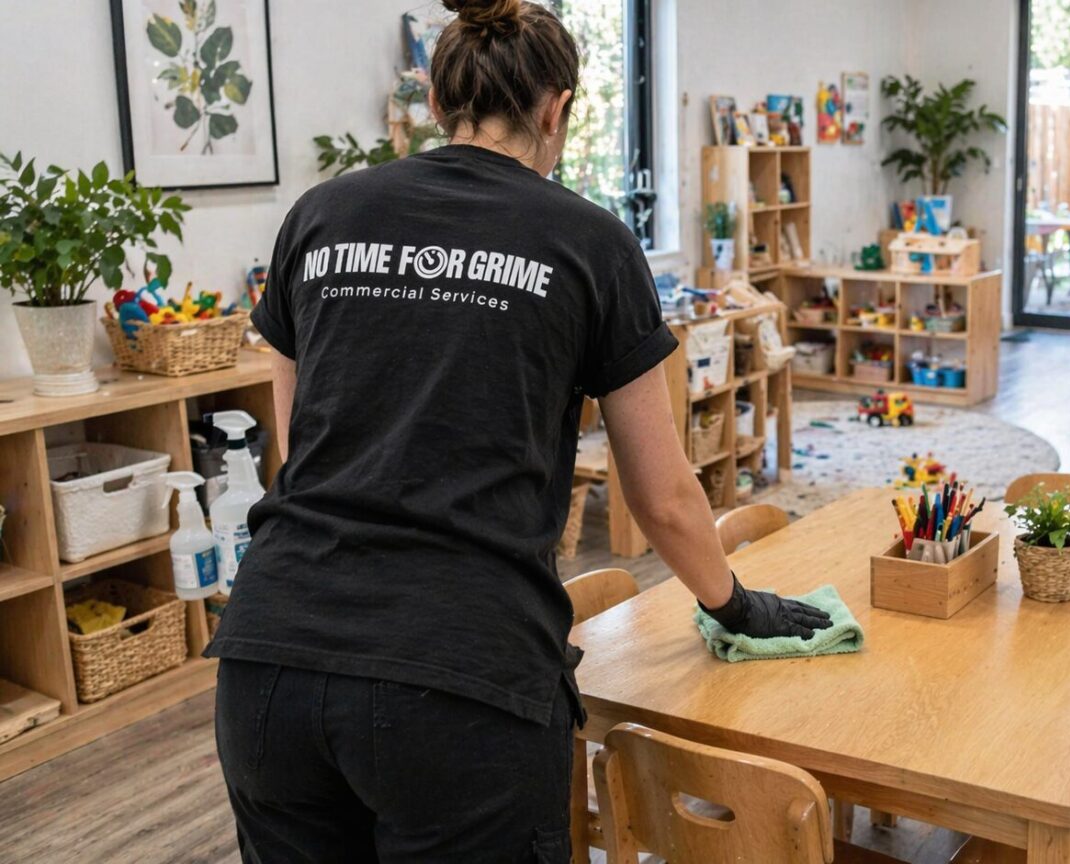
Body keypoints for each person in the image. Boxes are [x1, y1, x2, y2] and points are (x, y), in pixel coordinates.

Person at [204, 1, 831, 860]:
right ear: (557, 108)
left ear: (436, 98)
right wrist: (736, 605)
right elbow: (662, 494)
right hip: (460, 680)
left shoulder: (320, 216)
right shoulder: (589, 241)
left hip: (271, 657)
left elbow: (296, 446)